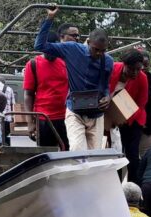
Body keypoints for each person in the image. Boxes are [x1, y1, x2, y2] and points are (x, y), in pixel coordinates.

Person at [35, 6, 114, 150]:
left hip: (96, 114)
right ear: (88, 42)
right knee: (78, 151)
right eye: (96, 49)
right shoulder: (72, 49)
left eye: (103, 51)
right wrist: (50, 18)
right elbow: (40, 45)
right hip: (75, 110)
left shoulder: (108, 61)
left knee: (94, 156)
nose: (99, 54)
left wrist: (108, 97)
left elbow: (105, 85)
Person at [22, 30, 69, 150]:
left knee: (68, 153)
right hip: (43, 119)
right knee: (46, 155)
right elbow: (28, 95)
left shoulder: (65, 63)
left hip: (65, 118)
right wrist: (30, 122)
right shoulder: (33, 64)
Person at [109, 51, 149, 183]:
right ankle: (115, 184)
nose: (135, 73)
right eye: (131, 69)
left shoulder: (142, 78)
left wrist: (126, 119)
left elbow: (141, 104)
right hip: (111, 117)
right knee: (115, 153)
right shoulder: (112, 68)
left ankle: (134, 187)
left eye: (138, 69)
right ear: (124, 65)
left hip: (134, 119)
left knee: (132, 154)